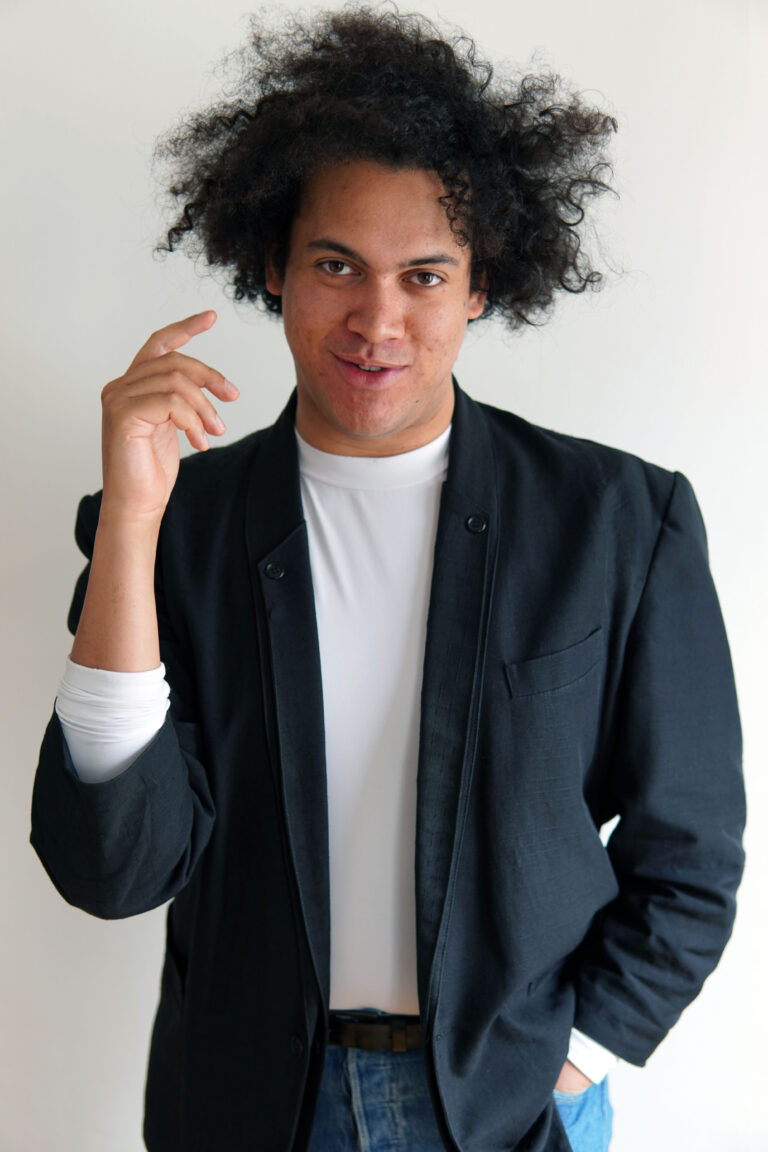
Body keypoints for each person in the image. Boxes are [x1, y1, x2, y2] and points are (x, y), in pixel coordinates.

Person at [30, 7, 745, 1152]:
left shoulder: (618, 521)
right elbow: (114, 866)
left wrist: (576, 1057)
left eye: (424, 275)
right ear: (273, 266)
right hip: (246, 1109)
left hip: (513, 1106)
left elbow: (690, 849)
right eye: (336, 266)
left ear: (480, 285)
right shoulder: (182, 524)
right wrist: (131, 515)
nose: (378, 319)